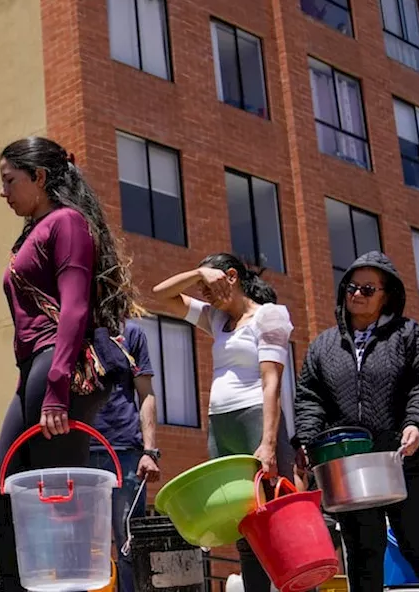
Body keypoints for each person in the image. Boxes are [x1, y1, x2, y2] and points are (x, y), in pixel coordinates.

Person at [0, 137, 139, 592]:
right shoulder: (38, 228)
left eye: (10, 181)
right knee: (1, 496)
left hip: (60, 368)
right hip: (36, 368)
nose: (4, 192)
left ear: (40, 177)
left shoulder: (67, 223)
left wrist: (55, 388)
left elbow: (74, 309)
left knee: (59, 505)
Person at [294, 251, 419, 592]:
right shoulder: (323, 345)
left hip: (406, 457)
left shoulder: (410, 334)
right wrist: (307, 438)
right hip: (350, 464)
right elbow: (309, 396)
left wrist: (417, 424)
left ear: (387, 295)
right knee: (363, 552)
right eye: (351, 286)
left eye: (368, 289)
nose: (356, 294)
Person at [151, 253, 294, 592]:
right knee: (241, 521)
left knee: (272, 516)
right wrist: (199, 272)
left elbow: (271, 382)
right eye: (201, 289)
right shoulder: (215, 319)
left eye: (210, 286)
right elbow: (160, 294)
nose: (205, 294)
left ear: (232, 276)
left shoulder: (269, 316)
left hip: (257, 421)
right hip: (221, 427)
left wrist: (269, 442)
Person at [88, 320, 159, 592]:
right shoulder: (72, 328)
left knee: (130, 545)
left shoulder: (132, 333)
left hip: (125, 452)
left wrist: (150, 451)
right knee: (85, 549)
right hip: (79, 451)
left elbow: (146, 394)